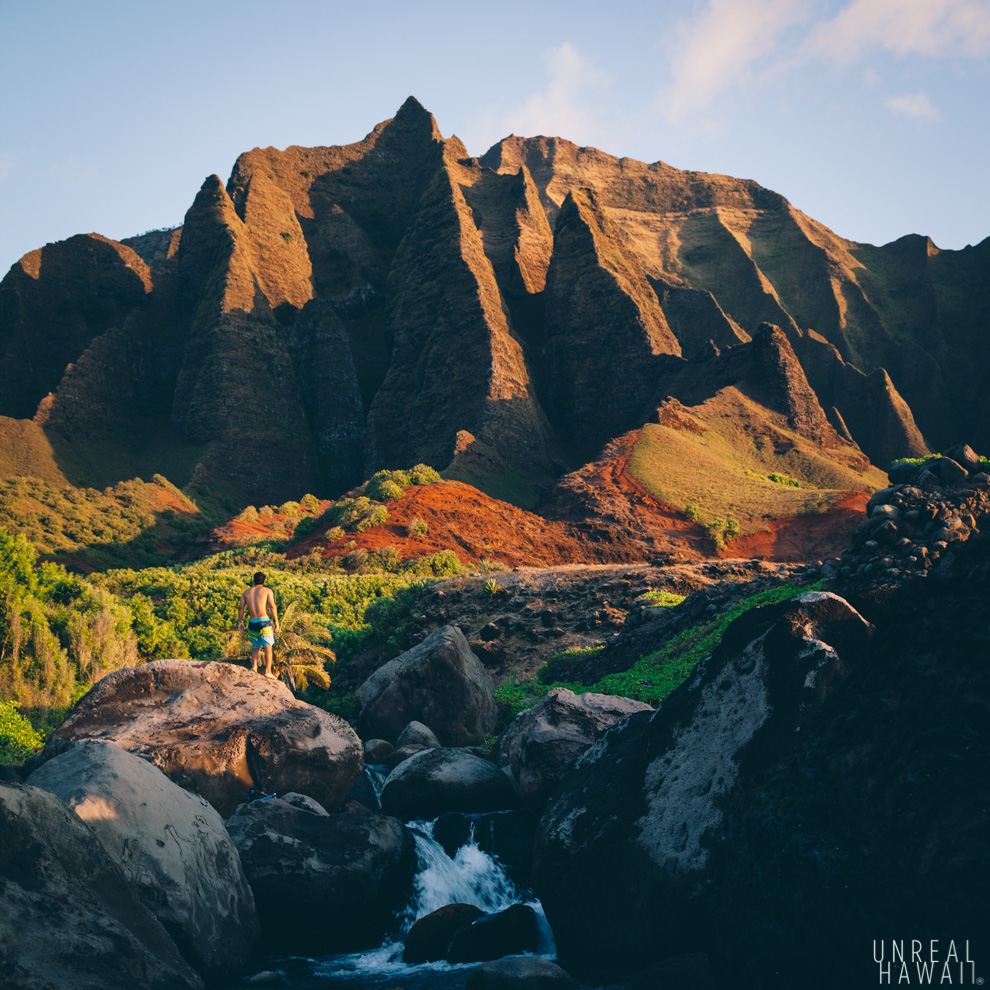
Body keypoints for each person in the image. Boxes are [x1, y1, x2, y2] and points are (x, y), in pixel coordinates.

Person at [238, 572, 280, 679]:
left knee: (256, 647)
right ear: (264, 581)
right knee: (268, 647)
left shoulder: (246, 592)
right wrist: (276, 621)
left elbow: (241, 608)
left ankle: (254, 667)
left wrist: (240, 622)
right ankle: (268, 671)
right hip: (264, 621)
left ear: (253, 580)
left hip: (252, 622)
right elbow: (272, 606)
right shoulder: (267, 591)